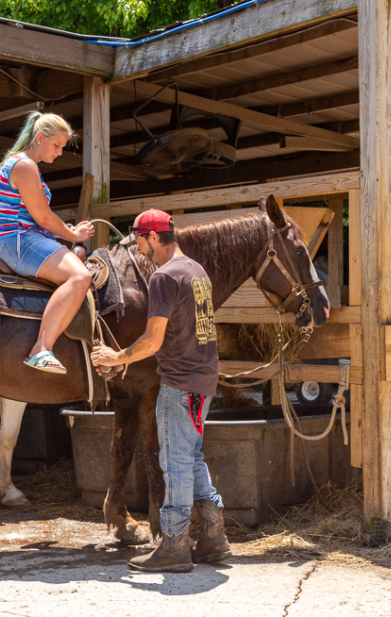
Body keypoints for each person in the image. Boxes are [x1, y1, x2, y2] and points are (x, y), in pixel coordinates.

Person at [91, 209, 231, 573]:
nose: (138, 251)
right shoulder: (196, 271)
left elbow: (152, 340)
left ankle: (174, 545)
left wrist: (117, 357)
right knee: (193, 456)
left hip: (180, 383)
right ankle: (215, 538)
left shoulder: (164, 277)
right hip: (204, 379)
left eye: (139, 241)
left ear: (154, 237)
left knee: (175, 463)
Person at [0, 112, 93, 374]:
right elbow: (43, 217)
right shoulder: (24, 166)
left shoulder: (22, 165)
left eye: (62, 147)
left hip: (22, 236)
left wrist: (67, 230)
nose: (59, 152)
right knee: (80, 277)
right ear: (39, 137)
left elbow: (36, 217)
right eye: (56, 145)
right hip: (17, 239)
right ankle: (41, 348)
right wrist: (74, 236)